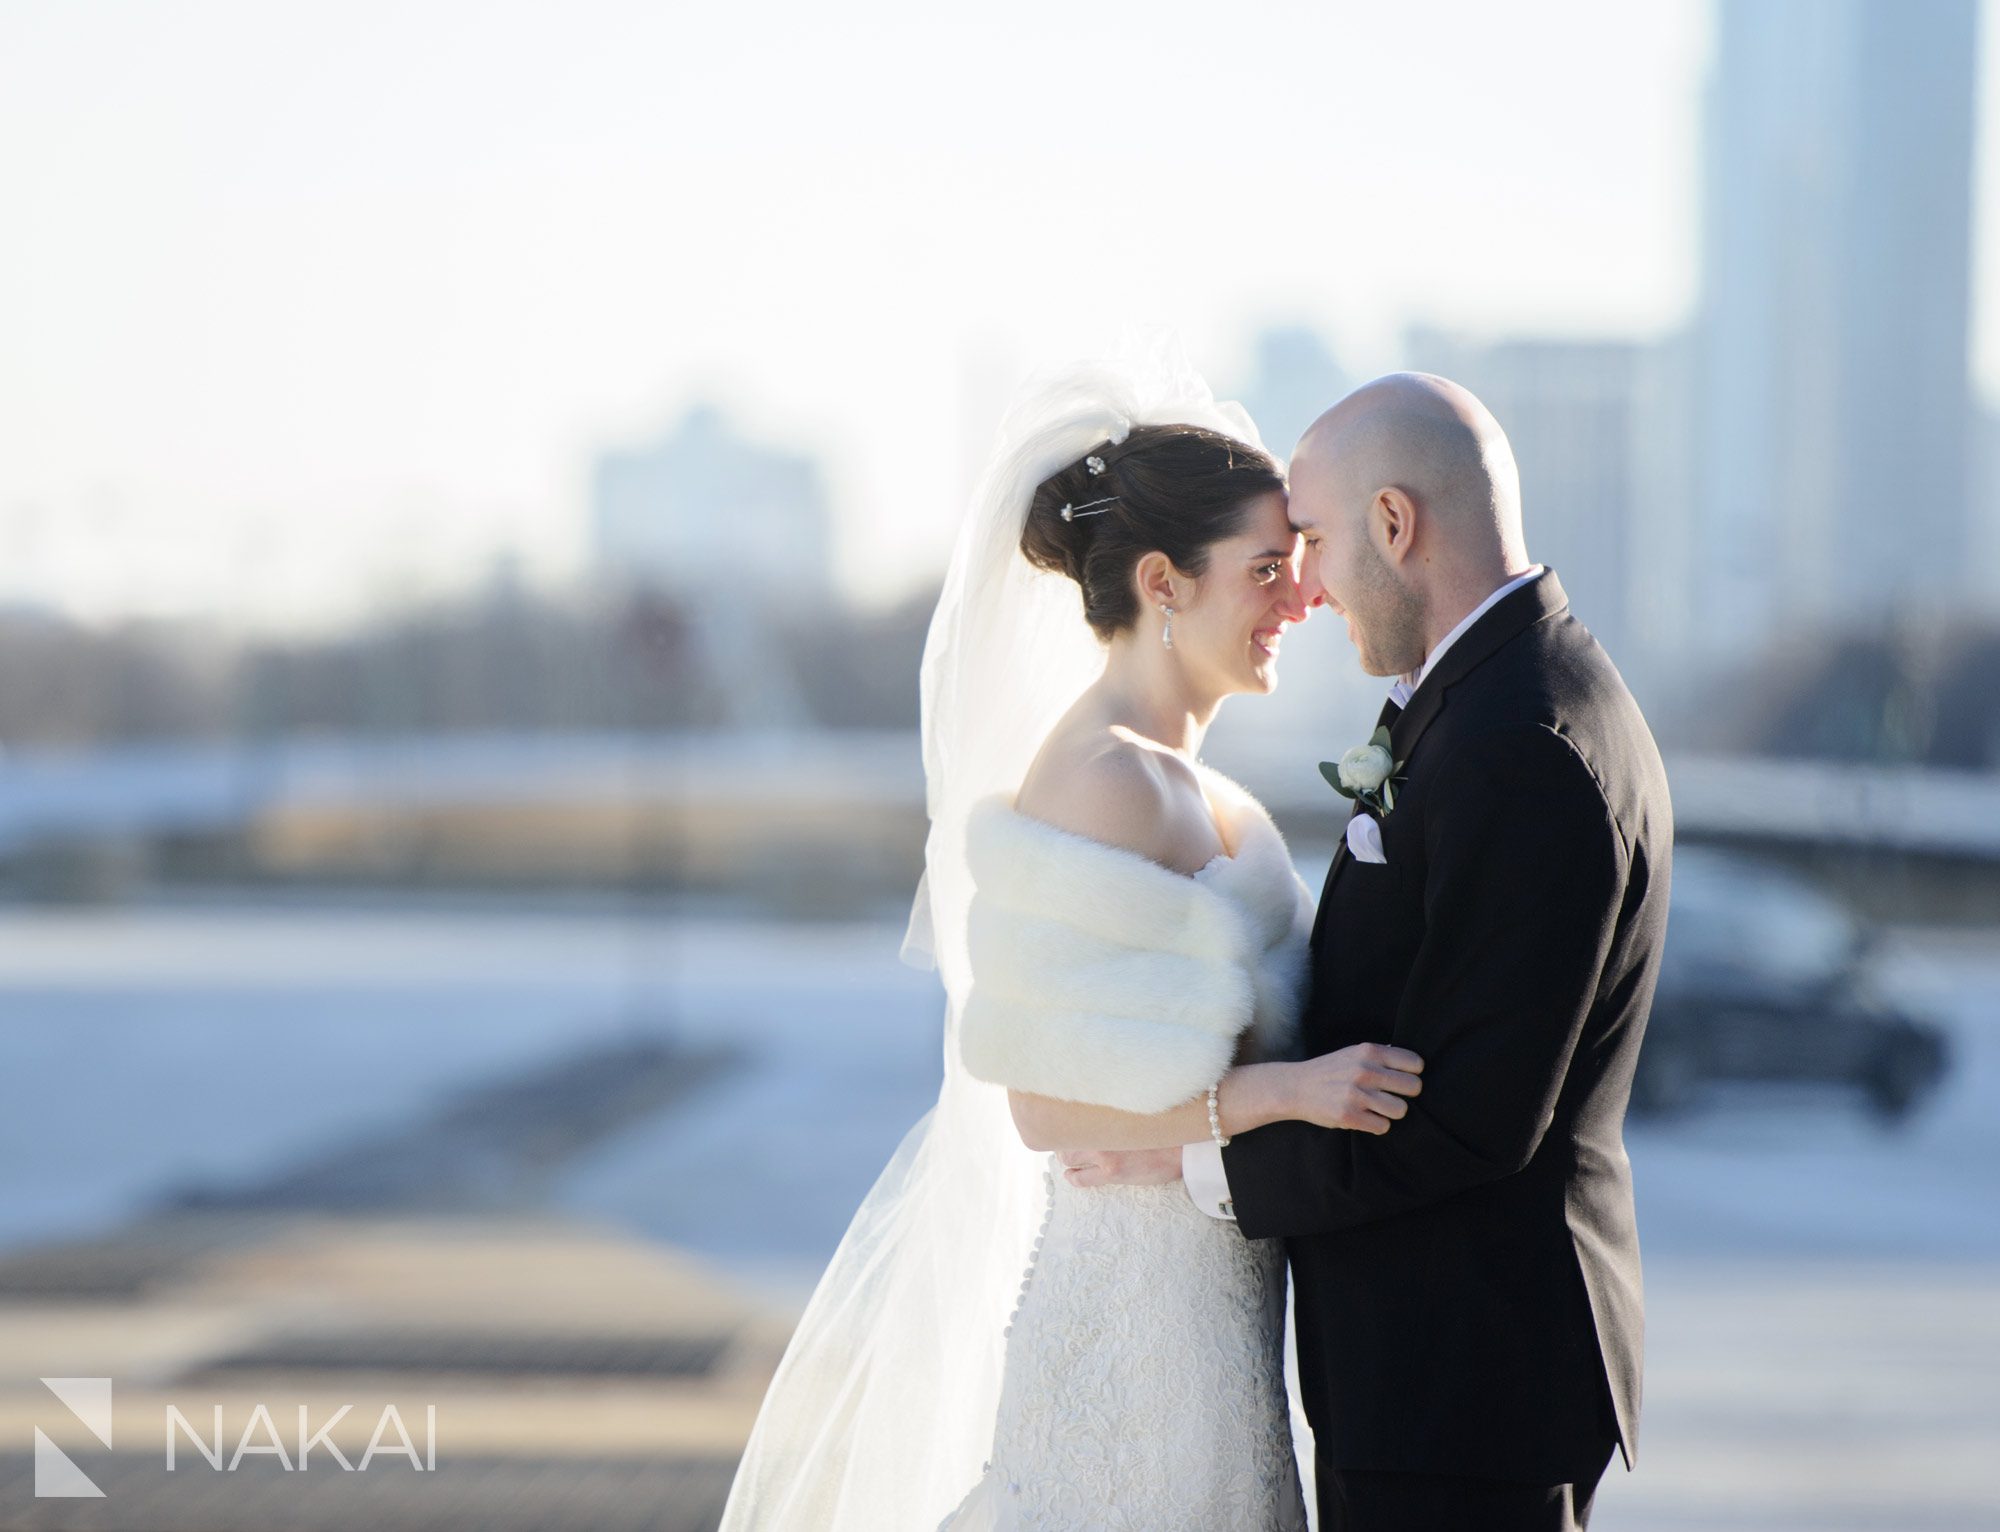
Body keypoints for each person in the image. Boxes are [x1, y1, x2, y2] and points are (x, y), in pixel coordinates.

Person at [717, 345, 1423, 1530]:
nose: (1299, 599)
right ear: (1161, 582)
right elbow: (1044, 1109)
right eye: (1264, 568)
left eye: (1297, 567)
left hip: (1213, 1314)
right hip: (1132, 1328)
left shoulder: (1204, 793)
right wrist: (1293, 1090)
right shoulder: (1101, 782)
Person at [1073, 373, 1673, 1532]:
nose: (1297, 582)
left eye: (1309, 538)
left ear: (1394, 525)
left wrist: (1197, 1157)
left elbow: (1464, 1119)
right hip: (1443, 1384)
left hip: (1465, 1393)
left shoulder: (1523, 745)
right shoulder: (1490, 695)